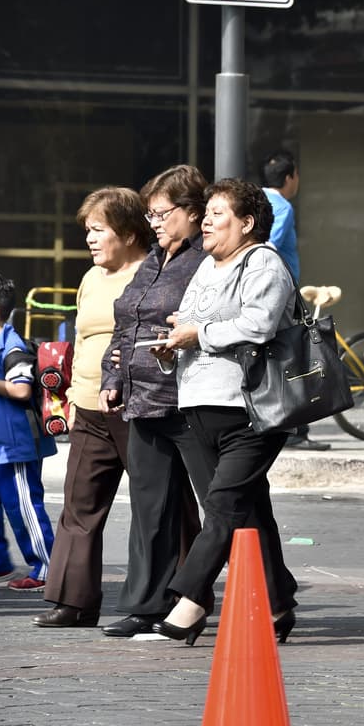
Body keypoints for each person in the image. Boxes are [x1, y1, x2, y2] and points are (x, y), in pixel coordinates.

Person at [150, 178, 300, 645]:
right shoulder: (206, 268)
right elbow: (192, 323)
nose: (207, 221)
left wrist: (198, 334)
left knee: (221, 507)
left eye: (218, 213)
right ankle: (278, 604)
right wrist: (173, 346)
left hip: (251, 410)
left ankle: (190, 601)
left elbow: (258, 325)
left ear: (247, 223)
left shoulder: (264, 264)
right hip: (198, 405)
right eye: (207, 212)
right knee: (248, 510)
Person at [97, 165, 207, 638]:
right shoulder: (155, 258)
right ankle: (147, 604)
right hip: (144, 398)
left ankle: (270, 595)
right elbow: (126, 322)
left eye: (163, 212)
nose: (155, 222)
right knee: (150, 507)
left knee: (226, 504)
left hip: (192, 399)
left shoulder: (206, 259)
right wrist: (112, 374)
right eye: (151, 213)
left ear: (194, 212)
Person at [34, 188, 150, 627]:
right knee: (79, 504)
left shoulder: (150, 274)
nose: (90, 239)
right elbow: (84, 337)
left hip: (134, 406)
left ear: (127, 231)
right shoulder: (91, 278)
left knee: (156, 505)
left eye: (98, 229)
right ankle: (75, 600)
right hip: (87, 406)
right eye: (88, 230)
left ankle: (172, 594)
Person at [0, 272, 57, 591]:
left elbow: (20, 390)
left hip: (14, 445)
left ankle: (48, 567)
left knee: (24, 506)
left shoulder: (11, 345)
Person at [261, 149, 328, 452]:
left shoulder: (255, 199)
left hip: (267, 292)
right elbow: (269, 246)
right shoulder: (282, 206)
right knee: (298, 356)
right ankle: (297, 430)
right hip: (283, 292)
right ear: (289, 178)